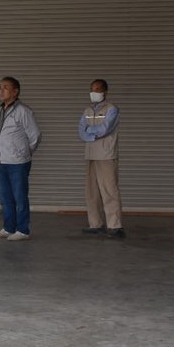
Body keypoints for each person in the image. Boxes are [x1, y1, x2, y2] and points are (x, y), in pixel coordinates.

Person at [0, 77, 40, 241]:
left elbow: (35, 135)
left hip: (18, 162)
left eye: (5, 87)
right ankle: (8, 228)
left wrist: (24, 152)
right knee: (6, 198)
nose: (1, 90)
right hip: (2, 160)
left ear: (15, 91)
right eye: (0, 87)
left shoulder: (23, 111)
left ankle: (23, 230)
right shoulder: (1, 110)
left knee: (20, 197)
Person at [78, 79, 123, 238]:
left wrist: (89, 132)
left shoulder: (111, 109)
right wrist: (91, 134)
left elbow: (105, 129)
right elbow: (81, 131)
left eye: (97, 89)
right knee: (91, 192)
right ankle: (95, 224)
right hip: (91, 154)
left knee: (109, 190)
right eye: (92, 89)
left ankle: (115, 226)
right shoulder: (87, 110)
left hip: (106, 155)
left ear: (105, 92)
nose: (94, 92)